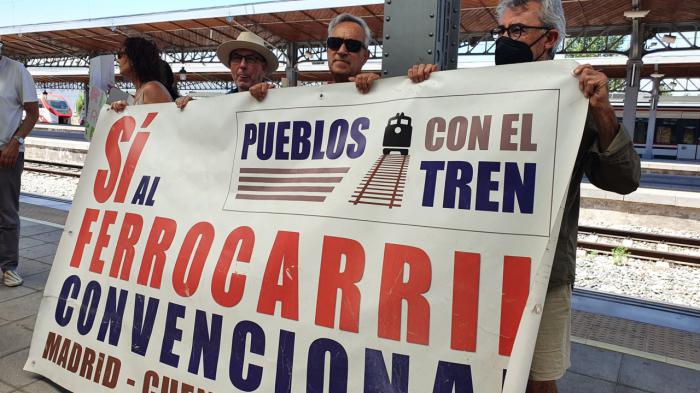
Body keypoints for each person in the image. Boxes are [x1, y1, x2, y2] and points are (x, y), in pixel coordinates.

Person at [408, 1, 640, 392]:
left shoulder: (576, 95)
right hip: (469, 264)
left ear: (550, 38)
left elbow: (623, 179)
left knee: (537, 378)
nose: (505, 41)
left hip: (541, 273)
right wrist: (422, 86)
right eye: (501, 32)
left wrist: (602, 112)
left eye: (517, 32)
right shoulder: (471, 92)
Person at [248, 13, 378, 100]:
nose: (342, 50)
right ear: (327, 49)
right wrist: (265, 99)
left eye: (352, 45)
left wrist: (380, 88)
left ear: (365, 57)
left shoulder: (379, 93)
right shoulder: (310, 99)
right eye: (335, 43)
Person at [0, 41, 39, 287]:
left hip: (7, 152)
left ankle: (9, 267)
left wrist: (16, 141)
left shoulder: (17, 71)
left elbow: (32, 113)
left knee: (7, 212)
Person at [175, 31, 278, 109]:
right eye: (237, 58)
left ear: (263, 68)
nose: (242, 65)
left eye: (251, 59)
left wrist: (272, 96)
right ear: (230, 65)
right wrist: (191, 108)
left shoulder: (278, 99)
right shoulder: (222, 103)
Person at [110, 37, 173, 111]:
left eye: (120, 55)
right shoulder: (142, 91)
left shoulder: (151, 89)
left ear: (133, 58)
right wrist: (127, 110)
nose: (117, 60)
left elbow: (166, 120)